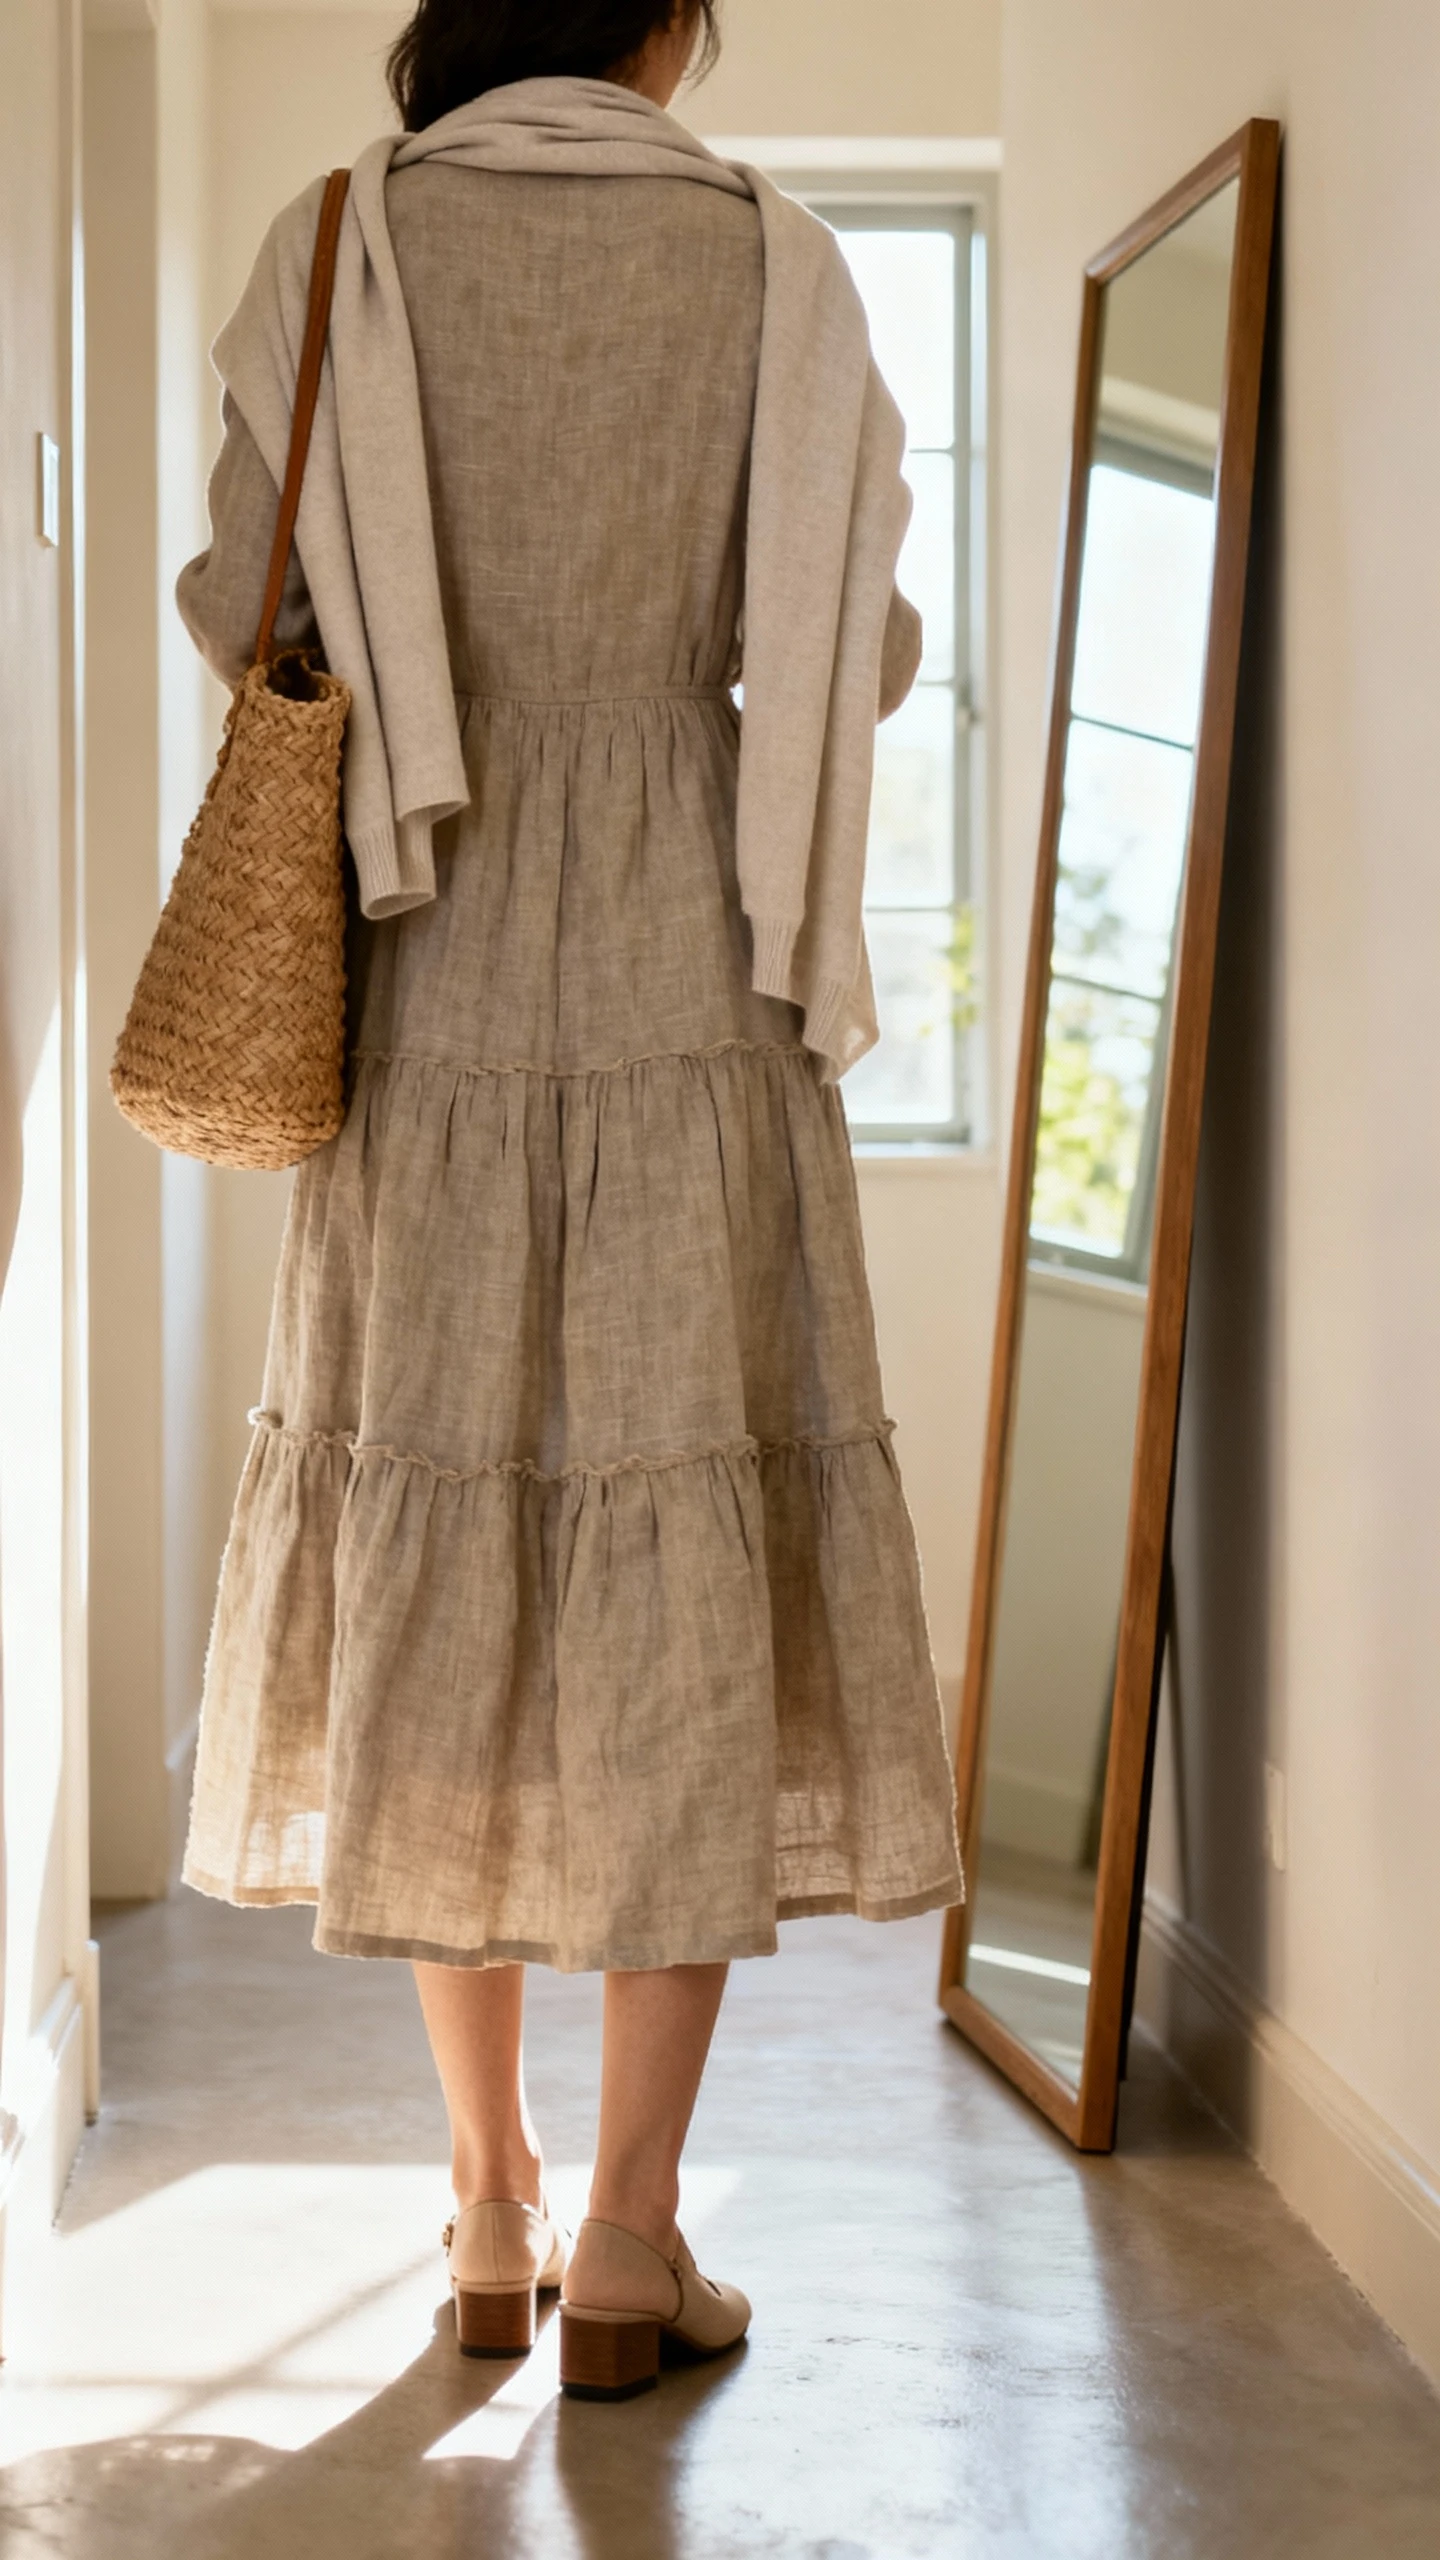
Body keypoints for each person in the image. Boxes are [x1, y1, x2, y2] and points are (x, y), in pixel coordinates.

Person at [175, 0, 962, 2402]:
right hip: (697, 961)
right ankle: (636, 2232)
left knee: (459, 1548)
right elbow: (869, 648)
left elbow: (240, 598)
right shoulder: (786, 268)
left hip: (423, 963)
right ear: (661, 20)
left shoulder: (343, 248)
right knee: (672, 1555)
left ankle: (489, 2204)